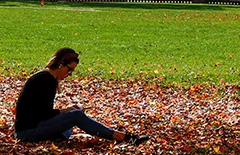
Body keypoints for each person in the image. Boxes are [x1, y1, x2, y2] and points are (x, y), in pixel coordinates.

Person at [14, 47, 148, 144]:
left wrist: (68, 111)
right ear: (61, 64)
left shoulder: (48, 78)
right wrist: (66, 111)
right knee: (76, 116)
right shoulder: (44, 80)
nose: (69, 74)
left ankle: (59, 138)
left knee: (75, 115)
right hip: (27, 132)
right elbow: (43, 114)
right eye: (69, 69)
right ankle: (119, 136)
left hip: (33, 127)